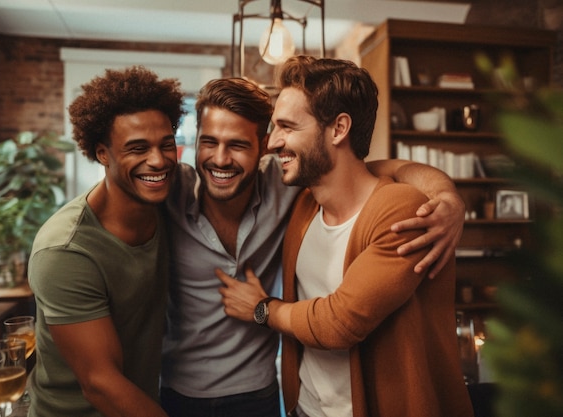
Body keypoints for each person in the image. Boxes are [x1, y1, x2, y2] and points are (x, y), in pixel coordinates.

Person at [161, 77, 466, 417]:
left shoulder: (291, 186)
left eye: (237, 145)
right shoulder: (171, 193)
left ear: (261, 148)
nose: (220, 158)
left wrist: (447, 197)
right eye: (208, 142)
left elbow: (372, 169)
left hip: (259, 394)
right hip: (188, 392)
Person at [27, 65, 184, 417]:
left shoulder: (166, 196)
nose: (157, 160)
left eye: (166, 145)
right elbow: (100, 383)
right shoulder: (65, 250)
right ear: (102, 153)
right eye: (137, 148)